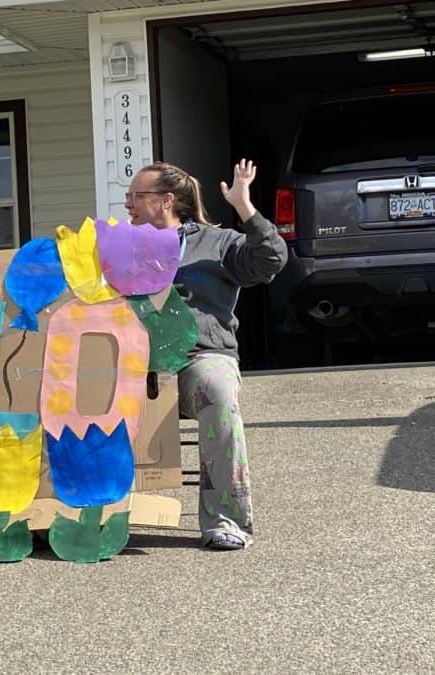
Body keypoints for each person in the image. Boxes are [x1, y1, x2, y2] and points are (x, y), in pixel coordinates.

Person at [125, 159, 287, 551]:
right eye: (127, 196)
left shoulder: (218, 244)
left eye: (136, 196)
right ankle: (80, 517)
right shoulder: (122, 246)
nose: (127, 203)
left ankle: (225, 519)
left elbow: (271, 260)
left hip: (199, 358)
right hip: (131, 362)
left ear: (165, 201)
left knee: (218, 390)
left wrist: (244, 206)